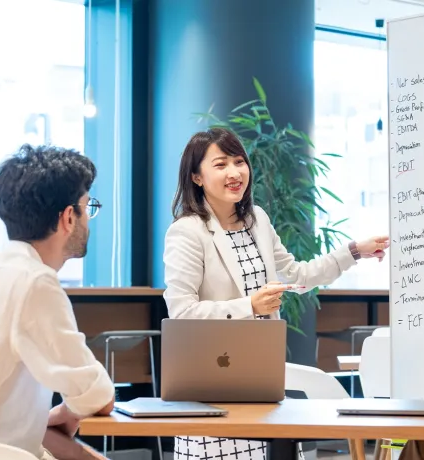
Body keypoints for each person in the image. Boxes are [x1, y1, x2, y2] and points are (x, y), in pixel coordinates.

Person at [163, 128, 390, 460]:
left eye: (239, 162)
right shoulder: (187, 232)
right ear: (196, 176)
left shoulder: (258, 221)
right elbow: (181, 313)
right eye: (221, 164)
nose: (234, 172)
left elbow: (298, 275)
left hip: (259, 372)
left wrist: (353, 251)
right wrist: (248, 306)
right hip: (213, 376)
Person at [0, 144, 115, 460]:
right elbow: (97, 397)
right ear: (68, 217)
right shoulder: (35, 283)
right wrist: (73, 409)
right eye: (87, 207)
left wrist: (58, 416)